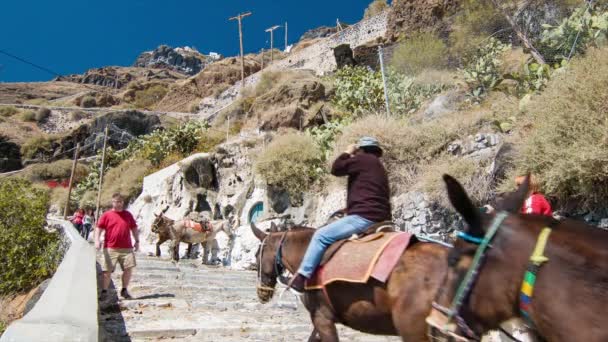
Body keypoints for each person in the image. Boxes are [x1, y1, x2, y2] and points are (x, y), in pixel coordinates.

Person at [287, 136, 391, 295]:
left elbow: (336, 168)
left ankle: (302, 278)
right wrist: (349, 208)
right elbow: (370, 194)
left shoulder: (361, 159)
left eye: (358, 151)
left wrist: (347, 152)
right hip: (381, 217)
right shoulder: (379, 166)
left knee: (321, 236)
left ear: (361, 150)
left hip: (364, 217)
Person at [95, 193, 140, 301]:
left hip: (127, 248)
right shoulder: (106, 215)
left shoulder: (128, 215)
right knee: (107, 271)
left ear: (123, 202)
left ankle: (124, 290)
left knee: (128, 268)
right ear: (112, 202)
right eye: (116, 202)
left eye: (120, 202)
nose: (119, 204)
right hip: (110, 247)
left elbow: (134, 228)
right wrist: (97, 240)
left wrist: (137, 241)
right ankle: (104, 291)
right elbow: (98, 228)